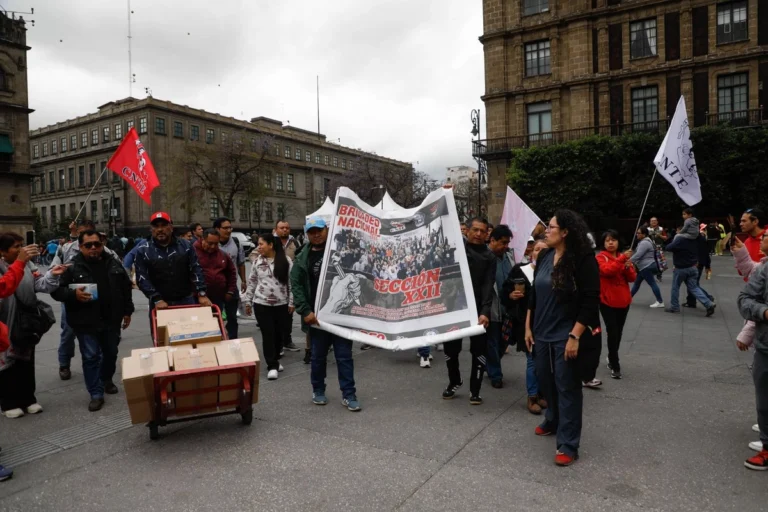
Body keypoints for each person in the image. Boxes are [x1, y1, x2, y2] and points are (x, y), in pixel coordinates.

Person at [525, 209, 600, 466]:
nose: (547, 230)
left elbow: (591, 300)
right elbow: (534, 295)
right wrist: (528, 327)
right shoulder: (545, 255)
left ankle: (568, 443)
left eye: (552, 227)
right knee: (545, 380)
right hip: (541, 333)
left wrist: (575, 335)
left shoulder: (582, 259)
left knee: (567, 387)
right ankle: (553, 420)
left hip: (566, 334)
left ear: (565, 232)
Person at [51, 230, 134, 411]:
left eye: (97, 244)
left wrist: (128, 311)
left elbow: (125, 288)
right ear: (80, 247)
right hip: (85, 321)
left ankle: (106, 380)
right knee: (90, 357)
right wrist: (73, 294)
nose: (94, 248)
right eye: (88, 245)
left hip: (111, 319)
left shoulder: (113, 262)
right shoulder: (72, 267)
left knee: (111, 352)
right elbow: (56, 291)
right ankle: (95, 393)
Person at [290, 216, 360, 411]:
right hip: (317, 317)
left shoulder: (340, 253)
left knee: (344, 356)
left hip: (340, 316)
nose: (316, 234)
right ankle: (318, 390)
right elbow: (296, 286)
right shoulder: (302, 257)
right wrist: (305, 311)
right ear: (307, 234)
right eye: (312, 231)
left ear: (327, 230)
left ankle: (349, 394)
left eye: (319, 230)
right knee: (318, 357)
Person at [0, 233, 66, 419]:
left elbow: (40, 284)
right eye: (16, 246)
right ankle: (8, 402)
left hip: (26, 320)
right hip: (5, 321)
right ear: (3, 251)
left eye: (23, 245)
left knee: (26, 360)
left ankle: (28, 398)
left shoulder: (28, 264)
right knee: (7, 364)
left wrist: (53, 274)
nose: (22, 249)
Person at [52, 219, 118, 382]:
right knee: (68, 332)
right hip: (73, 298)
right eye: (81, 233)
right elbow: (53, 273)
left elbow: (118, 268)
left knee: (100, 339)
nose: (92, 246)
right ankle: (64, 363)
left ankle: (101, 374)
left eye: (88, 232)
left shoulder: (106, 251)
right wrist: (71, 290)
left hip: (98, 302)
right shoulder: (66, 248)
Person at [442, 218, 494, 405]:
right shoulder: (457, 251)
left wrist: (485, 311)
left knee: (478, 351)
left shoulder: (490, 257)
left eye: (483, 231)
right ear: (467, 231)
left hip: (477, 311)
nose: (479, 234)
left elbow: (489, 285)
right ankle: (454, 381)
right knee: (450, 350)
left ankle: (475, 389)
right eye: (475, 230)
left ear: (487, 233)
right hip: (454, 308)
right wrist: (445, 194)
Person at [134, 212, 211, 321]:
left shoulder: (186, 246)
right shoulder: (143, 250)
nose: (160, 229)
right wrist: (157, 299)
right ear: (151, 229)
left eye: (164, 225)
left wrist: (202, 293)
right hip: (160, 304)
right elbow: (142, 278)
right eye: (156, 226)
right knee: (162, 337)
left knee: (190, 334)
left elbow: (196, 269)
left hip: (186, 300)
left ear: (171, 227)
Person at [502, 239, 548, 414]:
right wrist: (511, 296)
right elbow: (504, 291)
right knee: (532, 361)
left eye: (545, 250)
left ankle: (543, 393)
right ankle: (532, 396)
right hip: (526, 324)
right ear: (531, 253)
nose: (540, 253)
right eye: (537, 249)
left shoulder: (554, 272)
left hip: (548, 323)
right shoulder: (519, 271)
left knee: (545, 362)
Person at [737, 235, 768, 470]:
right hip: (766, 347)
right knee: (764, 400)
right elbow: (745, 299)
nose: (764, 239)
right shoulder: (764, 269)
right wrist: (764, 312)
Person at [244, 233, 294, 380]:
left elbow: (292, 283)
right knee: (268, 334)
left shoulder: (286, 261)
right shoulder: (257, 262)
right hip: (261, 304)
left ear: (271, 245)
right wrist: (248, 301)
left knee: (279, 334)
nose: (259, 247)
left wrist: (292, 302)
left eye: (261, 244)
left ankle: (276, 360)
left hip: (281, 304)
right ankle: (271, 365)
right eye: (258, 244)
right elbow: (252, 281)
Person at [596, 229, 636, 381]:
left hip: (624, 300)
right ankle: (615, 364)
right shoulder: (600, 257)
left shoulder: (622, 257)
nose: (611, 243)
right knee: (612, 332)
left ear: (619, 242)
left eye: (613, 240)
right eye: (607, 240)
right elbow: (607, 271)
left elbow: (632, 278)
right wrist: (621, 261)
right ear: (603, 243)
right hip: (607, 301)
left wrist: (628, 266)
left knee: (618, 332)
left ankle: (612, 356)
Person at [664, 214, 716, 316]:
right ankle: (708, 303)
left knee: (675, 287)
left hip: (681, 268)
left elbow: (668, 248)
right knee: (694, 287)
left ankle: (674, 307)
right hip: (693, 267)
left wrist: (675, 238)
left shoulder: (681, 238)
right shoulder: (696, 237)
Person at [486, 224, 514, 388]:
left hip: (508, 308)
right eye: (503, 242)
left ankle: (489, 364)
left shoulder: (509, 257)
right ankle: (496, 374)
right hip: (491, 308)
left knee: (505, 341)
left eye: (507, 243)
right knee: (493, 342)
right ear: (493, 240)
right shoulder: (484, 257)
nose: (506, 246)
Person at [193, 229, 237, 328]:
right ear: (202, 239)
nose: (213, 247)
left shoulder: (222, 254)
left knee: (216, 326)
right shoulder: (192, 253)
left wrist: (230, 290)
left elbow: (231, 272)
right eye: (210, 243)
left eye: (216, 244)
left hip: (218, 298)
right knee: (200, 327)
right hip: (198, 299)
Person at [213, 217, 245, 339]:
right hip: (215, 288)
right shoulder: (210, 243)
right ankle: (216, 339)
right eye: (225, 228)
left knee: (232, 317)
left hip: (231, 287)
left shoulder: (236, 242)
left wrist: (243, 281)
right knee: (215, 316)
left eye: (230, 227)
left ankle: (232, 340)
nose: (229, 230)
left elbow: (241, 263)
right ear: (217, 229)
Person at [274, 220, 301, 352]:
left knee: (289, 313)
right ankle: (277, 343)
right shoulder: (270, 241)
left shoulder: (294, 242)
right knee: (276, 316)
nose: (285, 230)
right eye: (282, 228)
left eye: (287, 228)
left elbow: (300, 257)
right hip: (274, 284)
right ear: (276, 229)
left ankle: (287, 340)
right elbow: (254, 254)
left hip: (290, 282)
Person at [630, 226, 665, 308]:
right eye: (637, 233)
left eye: (639, 233)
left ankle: (660, 301)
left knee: (652, 283)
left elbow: (638, 255)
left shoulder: (644, 243)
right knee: (637, 283)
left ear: (644, 234)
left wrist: (628, 261)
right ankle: (628, 298)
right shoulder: (646, 241)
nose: (637, 234)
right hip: (645, 266)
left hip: (646, 266)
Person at [684, 225, 715, 309]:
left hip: (696, 263)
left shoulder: (696, 239)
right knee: (692, 283)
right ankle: (691, 301)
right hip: (698, 263)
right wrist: (708, 265)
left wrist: (707, 265)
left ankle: (707, 298)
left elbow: (703, 252)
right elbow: (706, 253)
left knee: (692, 284)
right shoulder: (699, 238)